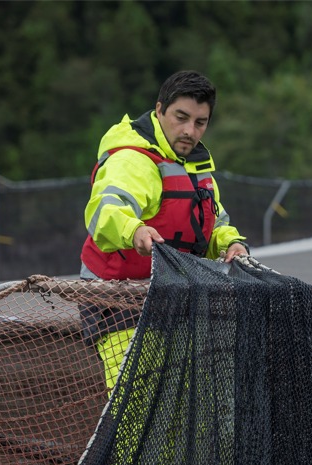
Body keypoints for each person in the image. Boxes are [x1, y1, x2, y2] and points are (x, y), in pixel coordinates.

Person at [80, 70, 248, 390]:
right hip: (119, 302)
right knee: (137, 413)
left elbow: (216, 225)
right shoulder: (132, 159)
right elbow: (105, 213)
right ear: (159, 111)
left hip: (173, 298)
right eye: (180, 117)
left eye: (200, 122)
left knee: (189, 408)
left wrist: (232, 244)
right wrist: (135, 232)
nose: (189, 130)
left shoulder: (197, 166)